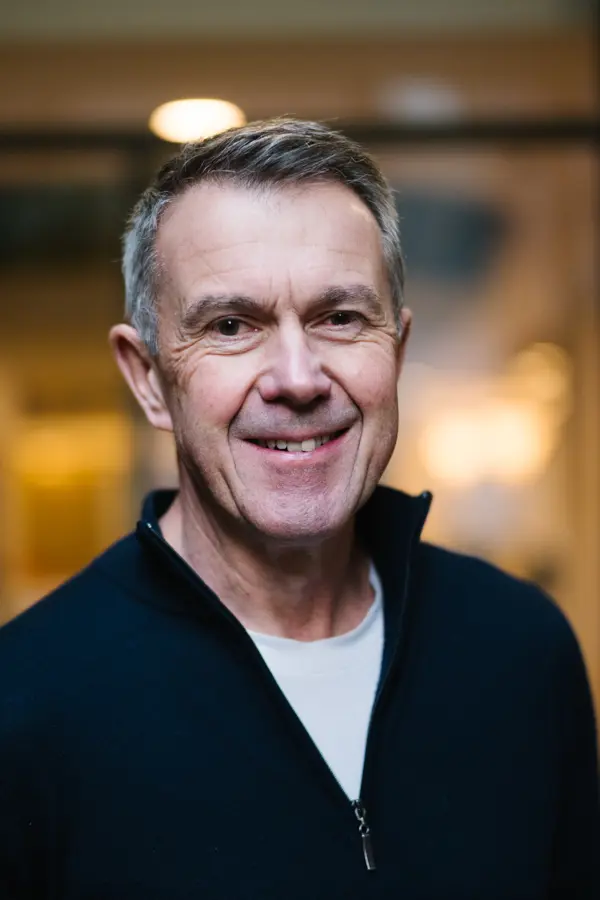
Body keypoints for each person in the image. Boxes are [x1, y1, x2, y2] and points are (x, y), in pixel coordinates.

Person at [0, 118, 598, 899]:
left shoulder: (521, 650)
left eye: (339, 318)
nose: (298, 378)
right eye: (231, 326)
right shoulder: (26, 702)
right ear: (148, 379)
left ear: (397, 350)